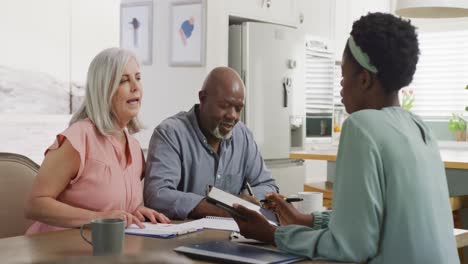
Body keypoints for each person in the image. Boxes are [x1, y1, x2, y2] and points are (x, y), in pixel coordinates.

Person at [230, 12, 458, 263]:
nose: (340, 85)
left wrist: (275, 234)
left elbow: (352, 246)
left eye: (344, 73)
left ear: (364, 80)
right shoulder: (419, 127)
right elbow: (375, 217)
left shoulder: (361, 126)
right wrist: (305, 220)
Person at [25, 48, 170, 235]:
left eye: (138, 78)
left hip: (103, 249)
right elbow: (34, 205)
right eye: (124, 80)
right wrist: (98, 218)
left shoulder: (134, 148)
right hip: (56, 249)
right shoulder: (78, 139)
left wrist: (132, 213)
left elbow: (110, 207)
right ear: (103, 89)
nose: (135, 87)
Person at [143, 67, 278, 220]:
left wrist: (244, 200)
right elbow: (158, 196)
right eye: (224, 106)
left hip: (235, 237)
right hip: (182, 239)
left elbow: (268, 186)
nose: (232, 115)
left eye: (238, 108)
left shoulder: (243, 135)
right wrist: (229, 206)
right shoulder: (170, 133)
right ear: (202, 98)